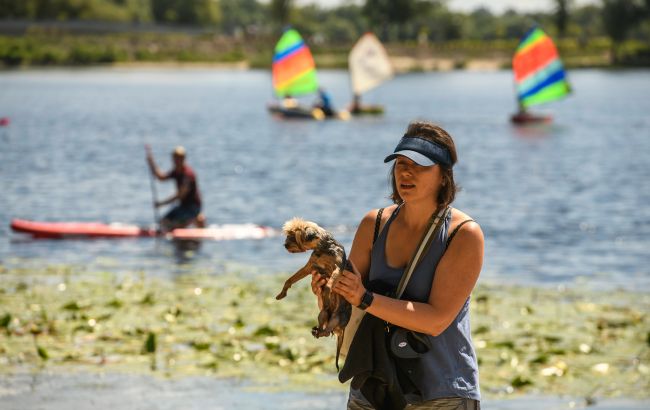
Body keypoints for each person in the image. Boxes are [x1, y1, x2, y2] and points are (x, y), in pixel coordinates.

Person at [312, 121, 483, 409]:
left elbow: (436, 320)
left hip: (441, 393)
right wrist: (326, 295)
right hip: (373, 386)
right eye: (401, 163)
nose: (406, 171)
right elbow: (347, 311)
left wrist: (365, 297)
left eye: (420, 165)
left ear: (444, 176)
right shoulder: (373, 224)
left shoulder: (463, 234)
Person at [146, 145, 206, 232]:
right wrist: (152, 163)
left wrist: (161, 204)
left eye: (179, 158)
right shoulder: (176, 171)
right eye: (175, 158)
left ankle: (195, 219)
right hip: (183, 206)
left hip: (193, 207)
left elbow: (180, 195)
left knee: (173, 226)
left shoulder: (188, 175)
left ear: (184, 158)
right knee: (163, 222)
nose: (176, 160)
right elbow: (161, 177)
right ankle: (195, 219)